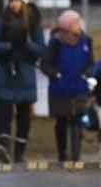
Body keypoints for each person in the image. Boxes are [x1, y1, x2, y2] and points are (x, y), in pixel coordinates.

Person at [0, 0, 45, 163]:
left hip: (25, 72)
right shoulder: (2, 21)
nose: (14, 4)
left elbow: (42, 49)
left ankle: (20, 151)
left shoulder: (33, 22)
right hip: (6, 71)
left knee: (24, 113)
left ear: (24, 2)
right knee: (3, 109)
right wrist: (9, 46)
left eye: (17, 0)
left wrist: (26, 44)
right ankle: (3, 144)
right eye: (11, 0)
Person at [39, 10, 93, 163]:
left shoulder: (86, 41)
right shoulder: (56, 42)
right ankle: (62, 154)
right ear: (68, 26)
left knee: (78, 121)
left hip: (79, 88)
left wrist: (87, 73)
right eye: (76, 23)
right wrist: (56, 75)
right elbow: (45, 64)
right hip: (60, 89)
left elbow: (90, 62)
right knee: (61, 122)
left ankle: (76, 155)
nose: (79, 25)